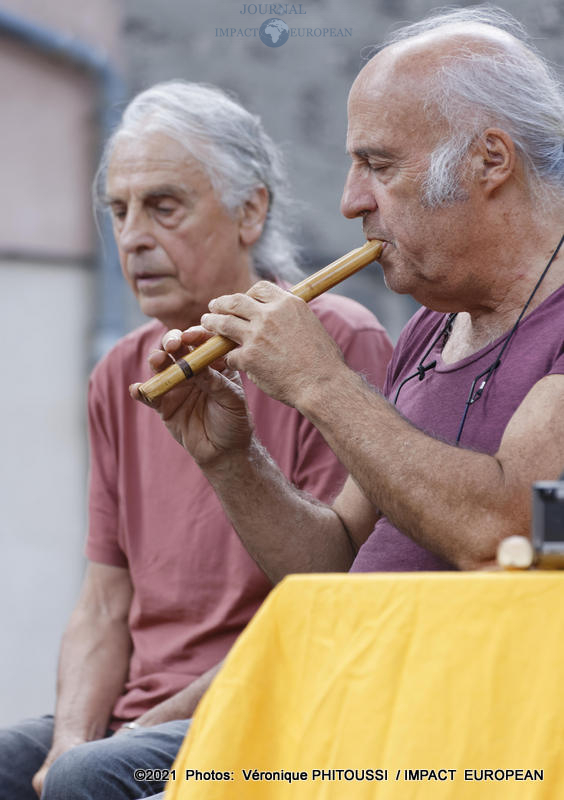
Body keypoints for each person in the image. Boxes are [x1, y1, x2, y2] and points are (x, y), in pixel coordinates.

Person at [0, 82, 392, 800]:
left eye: (164, 206)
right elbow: (103, 603)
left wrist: (130, 735)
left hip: (271, 708)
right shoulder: (119, 372)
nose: (133, 237)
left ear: (250, 211)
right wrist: (71, 740)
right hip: (137, 717)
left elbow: (325, 600)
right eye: (119, 210)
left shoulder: (336, 339)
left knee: (88, 777)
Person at [134, 5, 564, 592]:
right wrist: (232, 460)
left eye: (378, 165)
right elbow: (334, 566)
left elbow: (508, 535)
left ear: (489, 160)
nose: (351, 201)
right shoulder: (432, 328)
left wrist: (321, 382)